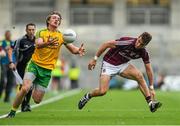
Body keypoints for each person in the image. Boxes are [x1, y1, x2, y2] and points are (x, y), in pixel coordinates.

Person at [7, 11, 85, 118]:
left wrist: (78, 50)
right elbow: (38, 44)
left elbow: (72, 49)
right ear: (48, 21)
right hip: (34, 65)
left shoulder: (61, 36)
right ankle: (12, 112)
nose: (57, 19)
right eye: (54, 18)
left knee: (37, 100)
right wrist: (47, 43)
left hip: (47, 70)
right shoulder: (41, 32)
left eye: (58, 19)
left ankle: (31, 84)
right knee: (25, 88)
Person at [78, 32, 162, 112]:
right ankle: (88, 96)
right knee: (102, 91)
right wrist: (95, 59)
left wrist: (151, 87)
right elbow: (106, 44)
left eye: (141, 44)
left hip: (123, 65)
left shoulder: (144, 52)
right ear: (138, 37)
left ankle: (151, 104)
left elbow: (148, 69)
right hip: (109, 64)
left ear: (145, 45)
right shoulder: (126, 42)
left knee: (139, 76)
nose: (138, 45)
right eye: (139, 41)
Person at [12, 23, 36, 112]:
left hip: (32, 67)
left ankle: (26, 104)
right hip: (21, 66)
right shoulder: (20, 40)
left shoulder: (37, 40)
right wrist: (13, 62)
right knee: (23, 87)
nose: (31, 31)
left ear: (35, 30)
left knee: (30, 85)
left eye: (33, 29)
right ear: (26, 30)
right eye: (29, 30)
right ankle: (22, 104)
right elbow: (14, 52)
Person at [0, 30, 16, 102]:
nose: (8, 36)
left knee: (10, 80)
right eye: (7, 34)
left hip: (11, 64)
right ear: (5, 35)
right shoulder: (2, 42)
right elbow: (1, 49)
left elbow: (15, 53)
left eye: (9, 34)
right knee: (3, 80)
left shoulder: (13, 43)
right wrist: (3, 50)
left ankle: (7, 98)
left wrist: (15, 62)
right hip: (3, 63)